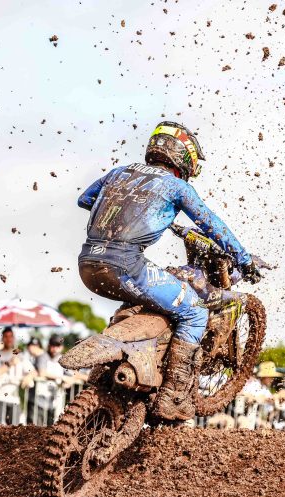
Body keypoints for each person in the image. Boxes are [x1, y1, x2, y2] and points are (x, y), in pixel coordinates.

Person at [76, 121, 262, 421]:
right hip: (126, 265)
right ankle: (174, 394)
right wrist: (243, 259)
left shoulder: (119, 173)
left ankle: (119, 364)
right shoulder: (176, 186)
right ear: (184, 158)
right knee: (195, 311)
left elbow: (85, 199)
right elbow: (211, 224)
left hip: (88, 265)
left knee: (138, 304)